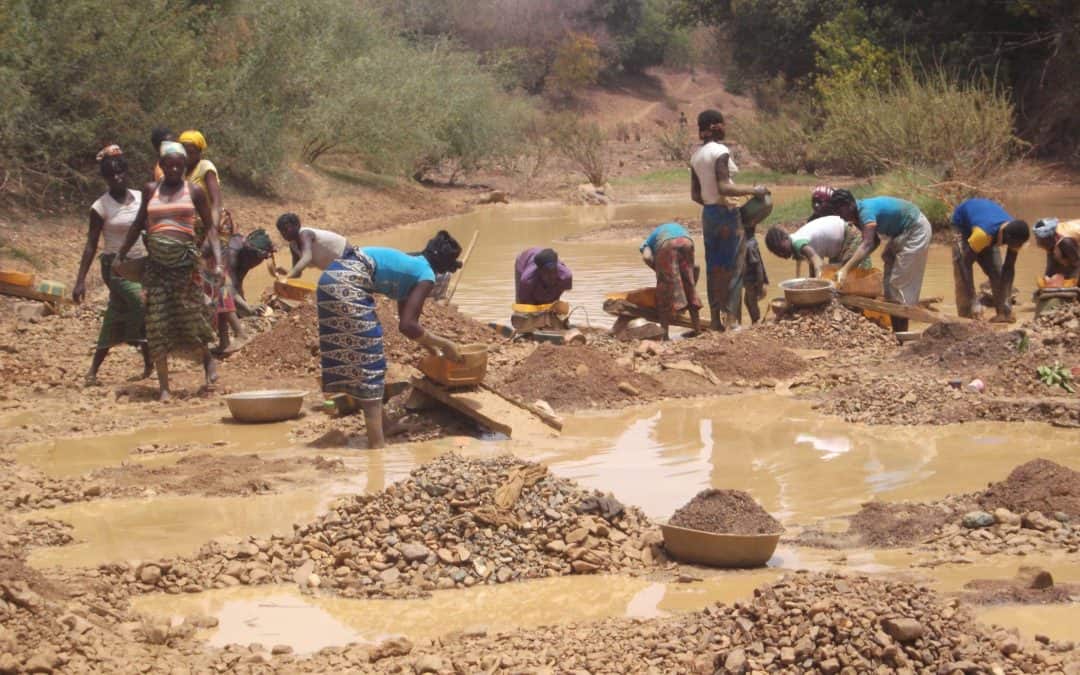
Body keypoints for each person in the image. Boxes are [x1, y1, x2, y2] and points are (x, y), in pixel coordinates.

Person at [316, 231, 465, 449]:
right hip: (347, 285)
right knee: (370, 360)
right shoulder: (426, 275)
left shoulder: (412, 265)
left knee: (359, 355)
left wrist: (431, 346)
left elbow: (406, 326)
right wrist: (446, 344)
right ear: (442, 269)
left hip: (330, 279)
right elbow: (409, 325)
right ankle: (377, 445)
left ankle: (384, 426)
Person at [114, 141, 222, 402]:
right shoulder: (151, 190)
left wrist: (217, 262)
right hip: (157, 268)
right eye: (168, 164)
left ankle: (208, 361)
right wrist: (121, 254)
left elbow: (211, 228)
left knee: (191, 319)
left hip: (185, 269)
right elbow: (139, 223)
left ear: (184, 166)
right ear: (161, 166)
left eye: (179, 164)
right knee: (157, 323)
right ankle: (164, 387)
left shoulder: (194, 191)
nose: (174, 168)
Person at [72, 145, 152, 386]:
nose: (117, 178)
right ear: (105, 178)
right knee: (140, 302)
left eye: (120, 173)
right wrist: (80, 281)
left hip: (141, 265)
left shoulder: (141, 197)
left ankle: (93, 372)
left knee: (116, 314)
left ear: (126, 172)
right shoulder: (100, 207)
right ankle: (135, 340)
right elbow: (91, 245)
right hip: (115, 267)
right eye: (111, 175)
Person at [689, 109, 769, 330]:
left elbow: (695, 195)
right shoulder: (720, 151)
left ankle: (716, 321)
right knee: (735, 267)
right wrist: (755, 190)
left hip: (709, 216)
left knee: (714, 267)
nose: (725, 128)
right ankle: (732, 322)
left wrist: (712, 203)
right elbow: (725, 186)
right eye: (723, 125)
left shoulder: (696, 156)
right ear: (715, 126)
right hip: (727, 215)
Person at [823, 189, 931, 332]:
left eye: (840, 210)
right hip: (901, 233)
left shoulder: (865, 213)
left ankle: (902, 334)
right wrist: (846, 266)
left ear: (849, 204)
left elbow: (867, 244)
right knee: (888, 282)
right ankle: (897, 332)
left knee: (898, 284)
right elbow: (874, 242)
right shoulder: (855, 217)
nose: (840, 216)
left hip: (916, 228)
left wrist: (845, 269)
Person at [950, 198, 1030, 321]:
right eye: (1014, 244)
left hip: (986, 223)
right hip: (963, 226)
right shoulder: (983, 235)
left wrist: (1006, 301)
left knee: (996, 272)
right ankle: (966, 318)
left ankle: (1002, 314)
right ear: (1007, 238)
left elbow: (1008, 268)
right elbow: (965, 265)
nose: (1016, 248)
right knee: (962, 276)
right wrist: (974, 300)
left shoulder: (1016, 232)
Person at [640, 222, 702, 340]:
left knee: (664, 293)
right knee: (690, 289)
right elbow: (696, 267)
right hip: (687, 241)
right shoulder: (672, 229)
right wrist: (691, 287)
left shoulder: (646, 243)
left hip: (667, 245)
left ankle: (665, 335)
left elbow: (647, 257)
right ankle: (697, 330)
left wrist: (661, 272)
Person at [765, 216, 873, 279]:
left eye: (782, 250)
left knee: (856, 276)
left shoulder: (797, 242)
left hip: (850, 237)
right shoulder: (797, 240)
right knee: (836, 276)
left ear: (785, 239)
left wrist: (818, 282)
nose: (783, 255)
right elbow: (813, 263)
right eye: (778, 254)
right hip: (838, 246)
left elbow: (816, 260)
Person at [275, 213, 349, 278]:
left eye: (287, 229)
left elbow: (307, 257)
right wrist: (284, 272)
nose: (284, 233)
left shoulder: (305, 234)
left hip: (348, 256)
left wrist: (288, 276)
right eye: (282, 231)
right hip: (336, 270)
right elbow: (297, 274)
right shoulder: (293, 246)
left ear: (297, 226)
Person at [1034, 218, 1080, 283]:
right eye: (1036, 238)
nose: (1038, 244)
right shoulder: (1050, 239)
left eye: (1040, 240)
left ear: (1050, 238)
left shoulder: (1066, 242)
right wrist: (1046, 280)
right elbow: (1051, 264)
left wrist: (1071, 282)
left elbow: (1077, 264)